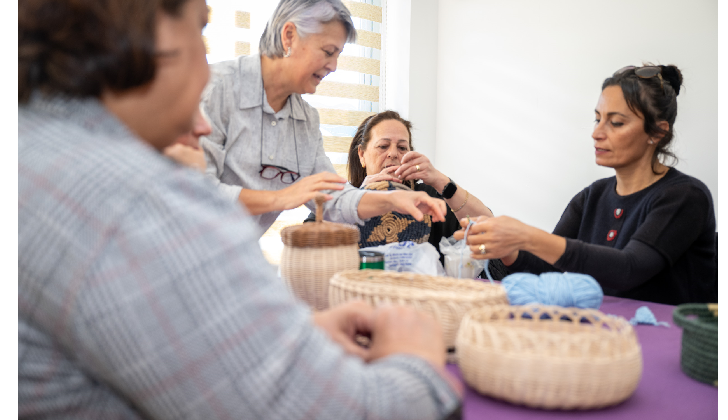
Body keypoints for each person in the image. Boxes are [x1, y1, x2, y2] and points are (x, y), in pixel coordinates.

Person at [18, 0, 462, 418]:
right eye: (201, 29)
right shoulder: (140, 197)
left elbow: (329, 192)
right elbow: (329, 407)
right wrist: (419, 360)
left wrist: (391, 198)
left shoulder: (37, 146)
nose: (202, 127)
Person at [456, 64, 716, 305]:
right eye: (597, 119)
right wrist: (508, 249)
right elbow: (546, 267)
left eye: (615, 122)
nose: (597, 132)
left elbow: (628, 269)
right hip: (606, 336)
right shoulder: (593, 196)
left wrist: (526, 235)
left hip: (675, 343)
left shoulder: (685, 197)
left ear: (657, 132)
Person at [199, 0, 446, 234]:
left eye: (338, 54)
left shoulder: (305, 121)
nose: (334, 66)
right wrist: (282, 197)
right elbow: (194, 190)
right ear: (289, 36)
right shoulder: (214, 89)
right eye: (329, 51)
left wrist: (393, 199)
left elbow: (332, 199)